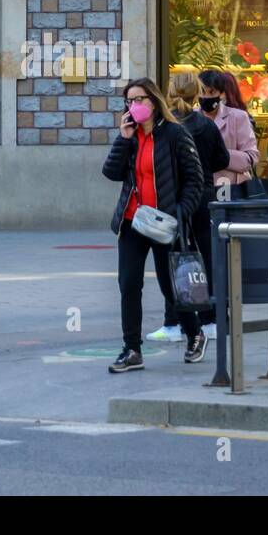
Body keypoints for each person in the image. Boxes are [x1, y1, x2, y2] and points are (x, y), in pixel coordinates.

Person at [102, 77, 206, 372]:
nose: (134, 106)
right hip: (133, 220)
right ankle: (132, 349)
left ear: (154, 101)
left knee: (170, 285)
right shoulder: (130, 135)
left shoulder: (175, 133)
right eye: (129, 101)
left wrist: (181, 212)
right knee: (128, 284)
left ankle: (194, 332)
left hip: (164, 223)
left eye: (139, 100)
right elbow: (110, 172)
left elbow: (195, 179)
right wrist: (123, 139)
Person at [166, 71, 229, 350]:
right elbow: (222, 159)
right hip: (203, 196)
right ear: (198, 93)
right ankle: (211, 318)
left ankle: (176, 321)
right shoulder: (206, 125)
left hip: (172, 199)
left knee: (173, 257)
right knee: (206, 256)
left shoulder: (164, 126)